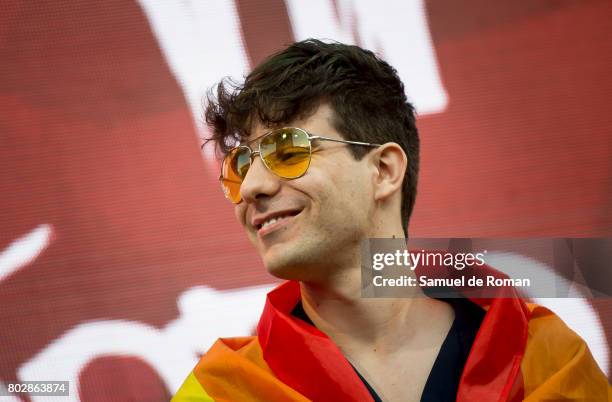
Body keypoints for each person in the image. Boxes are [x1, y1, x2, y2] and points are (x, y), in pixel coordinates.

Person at [173, 39, 610, 401]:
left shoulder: (547, 358)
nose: (251, 188)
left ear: (383, 170)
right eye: (240, 165)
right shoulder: (221, 391)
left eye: (287, 150)